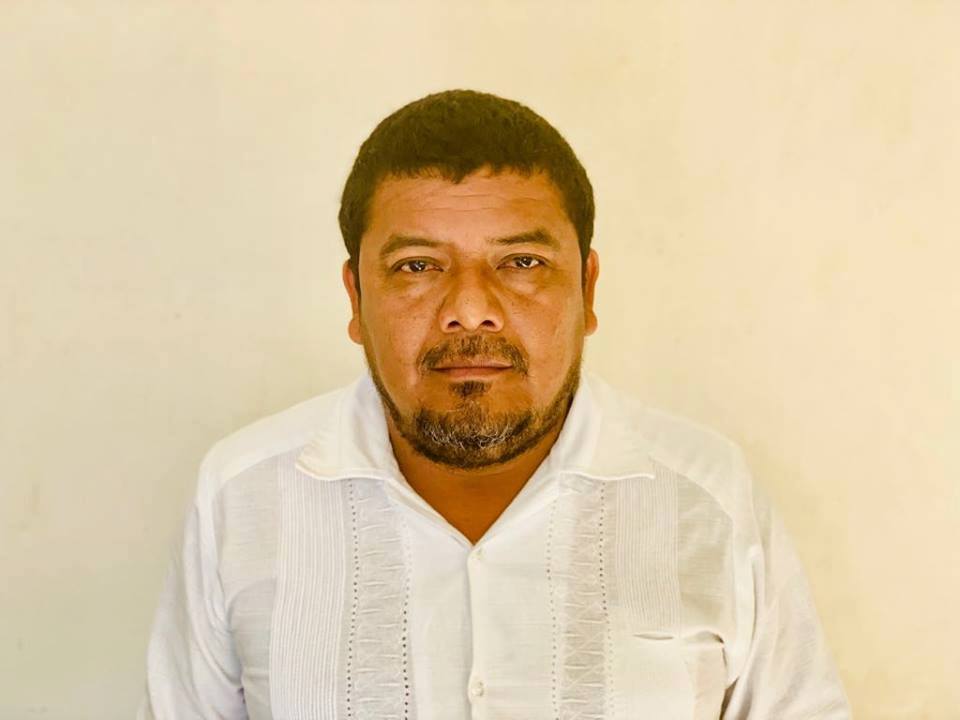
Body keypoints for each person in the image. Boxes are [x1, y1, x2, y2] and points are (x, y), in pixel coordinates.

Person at [138, 89, 851, 719]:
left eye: (522, 263)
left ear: (588, 290)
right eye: (418, 266)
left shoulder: (707, 497)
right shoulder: (240, 497)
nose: (471, 308)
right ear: (355, 298)